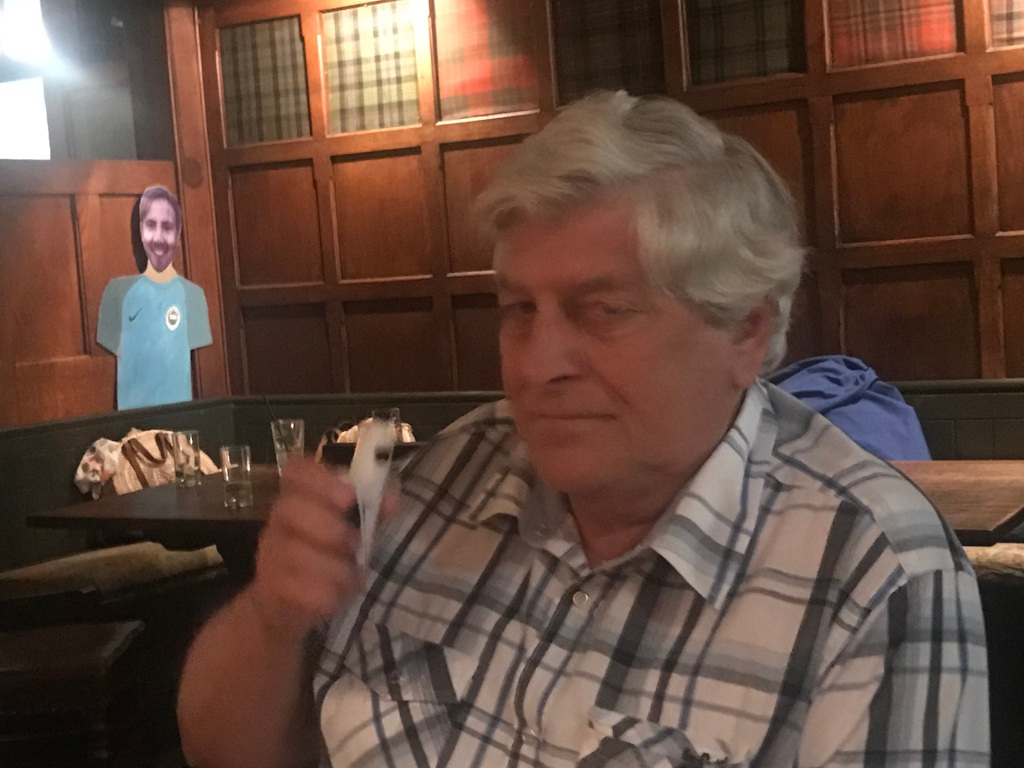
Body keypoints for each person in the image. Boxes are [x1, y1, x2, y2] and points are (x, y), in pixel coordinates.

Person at [177, 91, 988, 768]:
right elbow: (224, 752)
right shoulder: (430, 485)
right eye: (518, 310)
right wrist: (272, 617)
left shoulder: (875, 573)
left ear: (745, 330)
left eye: (602, 311)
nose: (536, 365)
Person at [97, 185, 212, 410]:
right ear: (141, 230)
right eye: (151, 225)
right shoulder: (116, 293)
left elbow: (206, 369)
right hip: (132, 423)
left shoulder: (194, 296)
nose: (158, 237)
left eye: (167, 227)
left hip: (179, 422)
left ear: (178, 233)